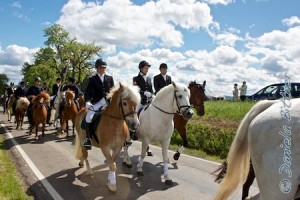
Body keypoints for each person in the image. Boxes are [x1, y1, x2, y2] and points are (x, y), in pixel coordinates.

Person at [83, 58, 114, 150]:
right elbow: (87, 92)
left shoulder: (110, 78)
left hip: (108, 102)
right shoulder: (92, 79)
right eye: (100, 68)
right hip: (97, 102)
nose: (102, 69)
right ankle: (88, 139)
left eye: (104, 68)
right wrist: (87, 101)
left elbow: (113, 91)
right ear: (97, 68)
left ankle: (125, 137)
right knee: (89, 117)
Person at [131, 60, 153, 140]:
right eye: (145, 68)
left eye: (147, 68)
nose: (147, 69)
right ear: (141, 68)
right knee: (135, 113)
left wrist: (152, 95)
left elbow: (151, 90)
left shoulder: (149, 79)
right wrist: (144, 93)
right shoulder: (136, 78)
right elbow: (135, 90)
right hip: (140, 101)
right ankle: (133, 132)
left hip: (148, 102)